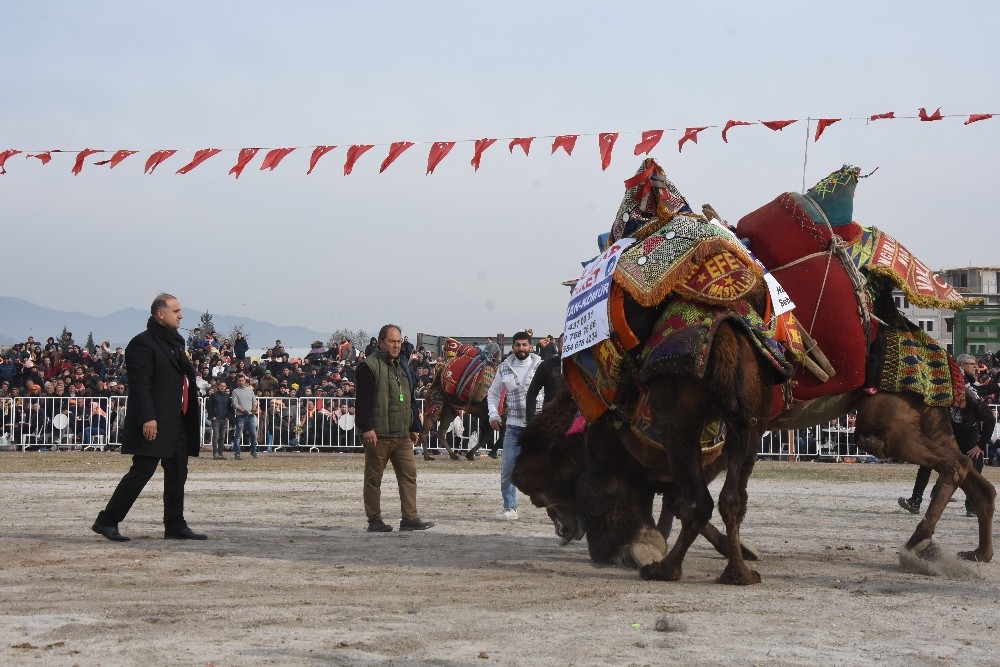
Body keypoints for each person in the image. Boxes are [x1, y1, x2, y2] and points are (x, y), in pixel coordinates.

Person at [91, 294, 207, 542]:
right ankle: (107, 520)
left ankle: (175, 524)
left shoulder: (175, 343)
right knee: (141, 471)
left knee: (178, 472)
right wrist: (148, 418)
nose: (181, 315)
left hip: (176, 420)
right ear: (160, 315)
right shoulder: (142, 344)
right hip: (153, 421)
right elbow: (140, 384)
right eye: (176, 311)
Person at [356, 324, 434, 533]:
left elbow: (409, 400)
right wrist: (367, 427)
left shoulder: (403, 366)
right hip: (378, 435)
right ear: (381, 342)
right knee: (373, 479)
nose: (396, 345)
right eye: (392, 341)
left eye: (399, 341)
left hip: (402, 436)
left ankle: (409, 518)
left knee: (409, 476)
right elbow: (362, 401)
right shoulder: (369, 366)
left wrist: (414, 427)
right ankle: (374, 520)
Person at [898, 353, 997, 517]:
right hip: (946, 430)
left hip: (967, 432)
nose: (975, 367)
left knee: (975, 465)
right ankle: (915, 500)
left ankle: (971, 506)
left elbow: (989, 420)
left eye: (975, 364)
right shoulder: (950, 384)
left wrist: (980, 444)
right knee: (927, 461)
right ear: (961, 365)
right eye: (971, 364)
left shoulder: (970, 389)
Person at [487, 331, 541, 521]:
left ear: (531, 347)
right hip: (514, 427)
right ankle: (510, 508)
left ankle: (558, 508)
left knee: (550, 467)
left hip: (539, 427)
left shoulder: (541, 366)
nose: (521, 348)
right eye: (517, 345)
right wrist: (493, 414)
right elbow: (493, 393)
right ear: (513, 348)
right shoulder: (504, 368)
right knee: (508, 468)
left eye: (524, 345)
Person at [230, 374, 259, 459]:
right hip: (240, 416)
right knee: (238, 435)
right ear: (237, 381)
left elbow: (254, 401)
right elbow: (235, 404)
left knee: (253, 434)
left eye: (242, 380)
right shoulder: (235, 391)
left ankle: (253, 450)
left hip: (250, 416)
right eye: (239, 380)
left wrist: (253, 409)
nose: (241, 382)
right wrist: (243, 411)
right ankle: (237, 453)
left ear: (245, 381)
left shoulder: (250, 390)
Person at [207, 380, 232, 459]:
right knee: (216, 436)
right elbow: (209, 407)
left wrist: (228, 416)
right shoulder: (213, 395)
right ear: (218, 386)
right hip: (216, 418)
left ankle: (220, 453)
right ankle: (215, 453)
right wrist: (212, 416)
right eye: (221, 386)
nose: (222, 387)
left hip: (224, 418)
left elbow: (229, 407)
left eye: (224, 386)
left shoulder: (227, 396)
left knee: (222, 437)